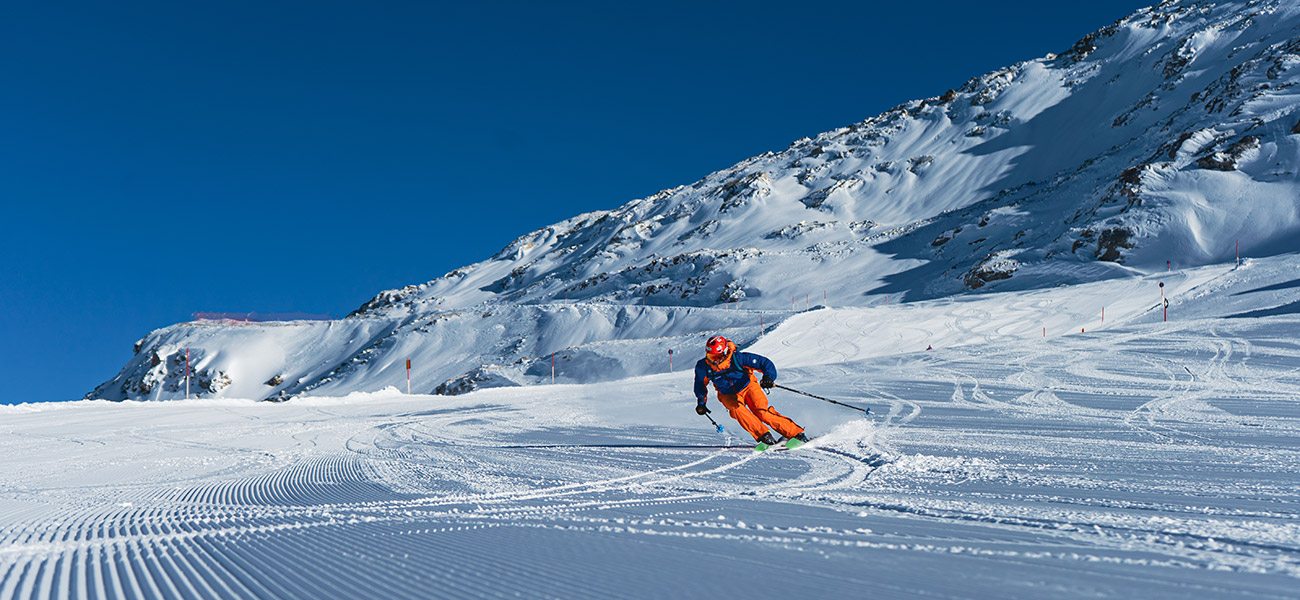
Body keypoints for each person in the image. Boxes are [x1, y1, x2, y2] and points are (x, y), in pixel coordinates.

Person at [693, 335, 809, 451]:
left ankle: (796, 434)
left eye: (716, 356)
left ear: (724, 352)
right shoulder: (703, 367)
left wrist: (768, 377)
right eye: (710, 355)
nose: (713, 359)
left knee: (762, 412)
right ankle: (764, 436)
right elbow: (700, 384)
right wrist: (701, 402)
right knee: (737, 409)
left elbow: (764, 363)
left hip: (748, 386)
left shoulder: (738, 358)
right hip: (727, 394)